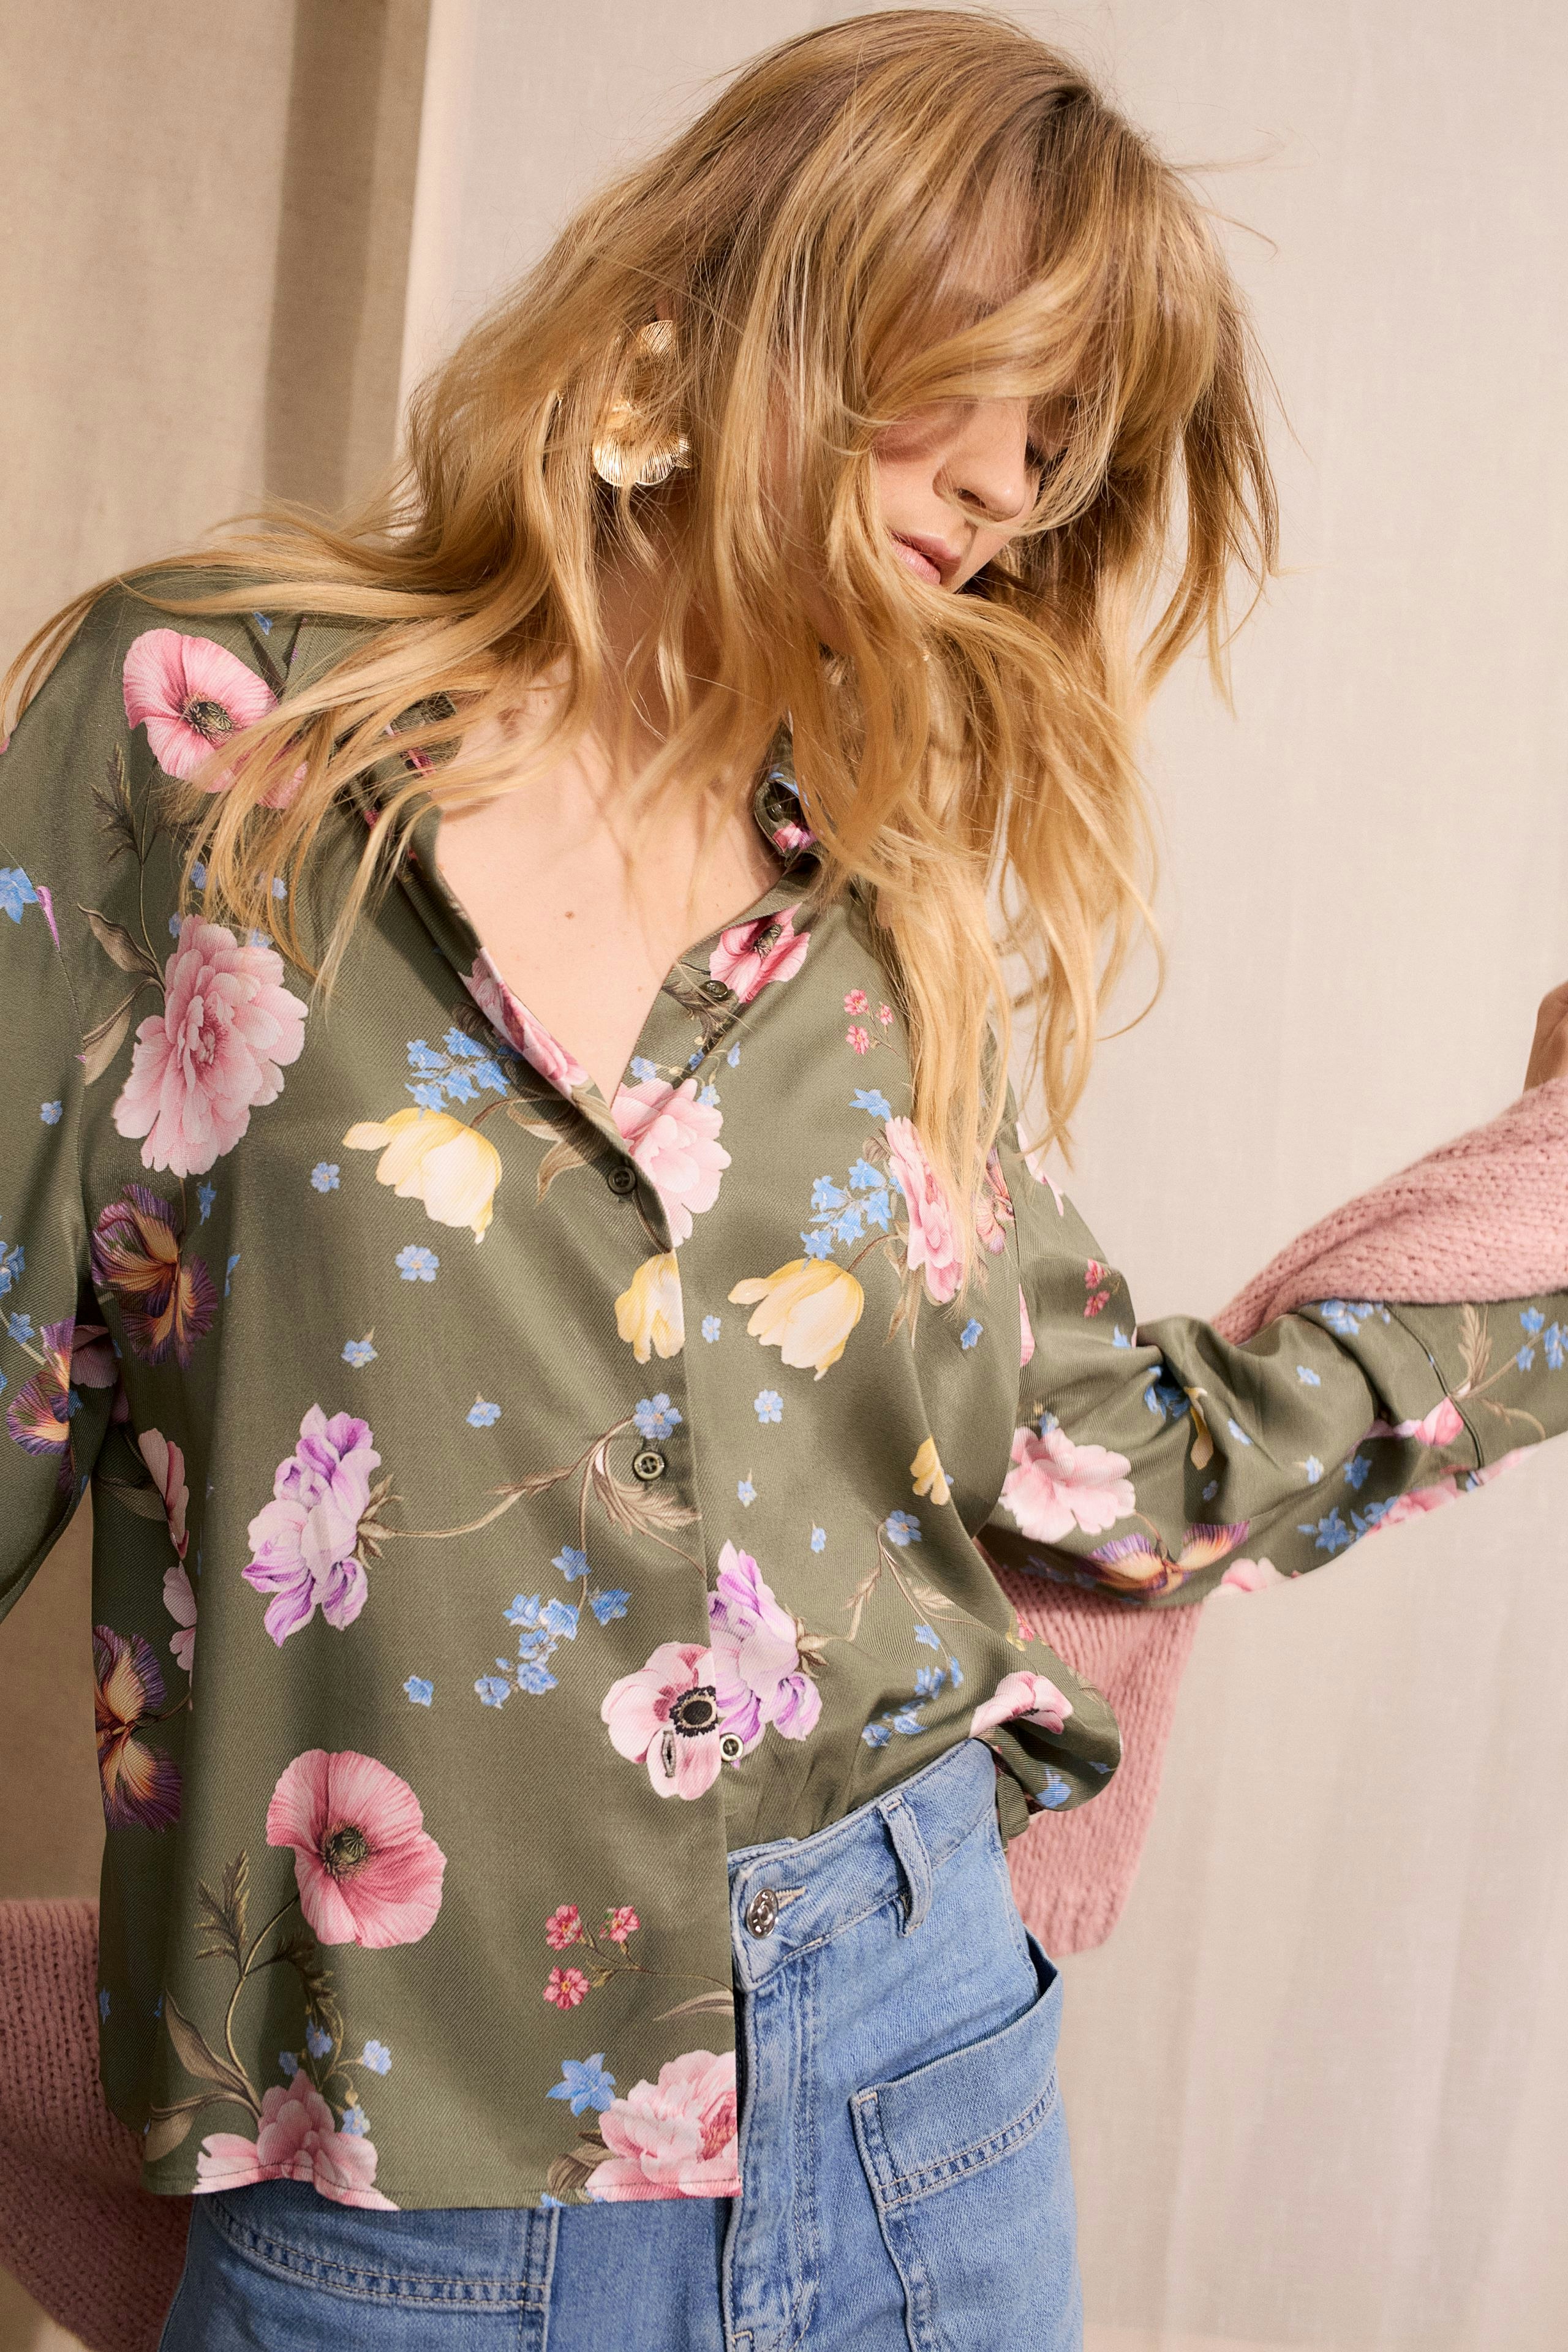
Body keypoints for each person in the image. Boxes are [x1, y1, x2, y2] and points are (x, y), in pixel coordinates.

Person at [2, 13, 1565, 2349]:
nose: (1015, 493)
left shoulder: (879, 913)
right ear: (747, 307)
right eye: (996, 388)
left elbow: (1108, 1463)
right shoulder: (208, 739)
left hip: (913, 2092)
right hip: (391, 2198)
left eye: (1070, 445)